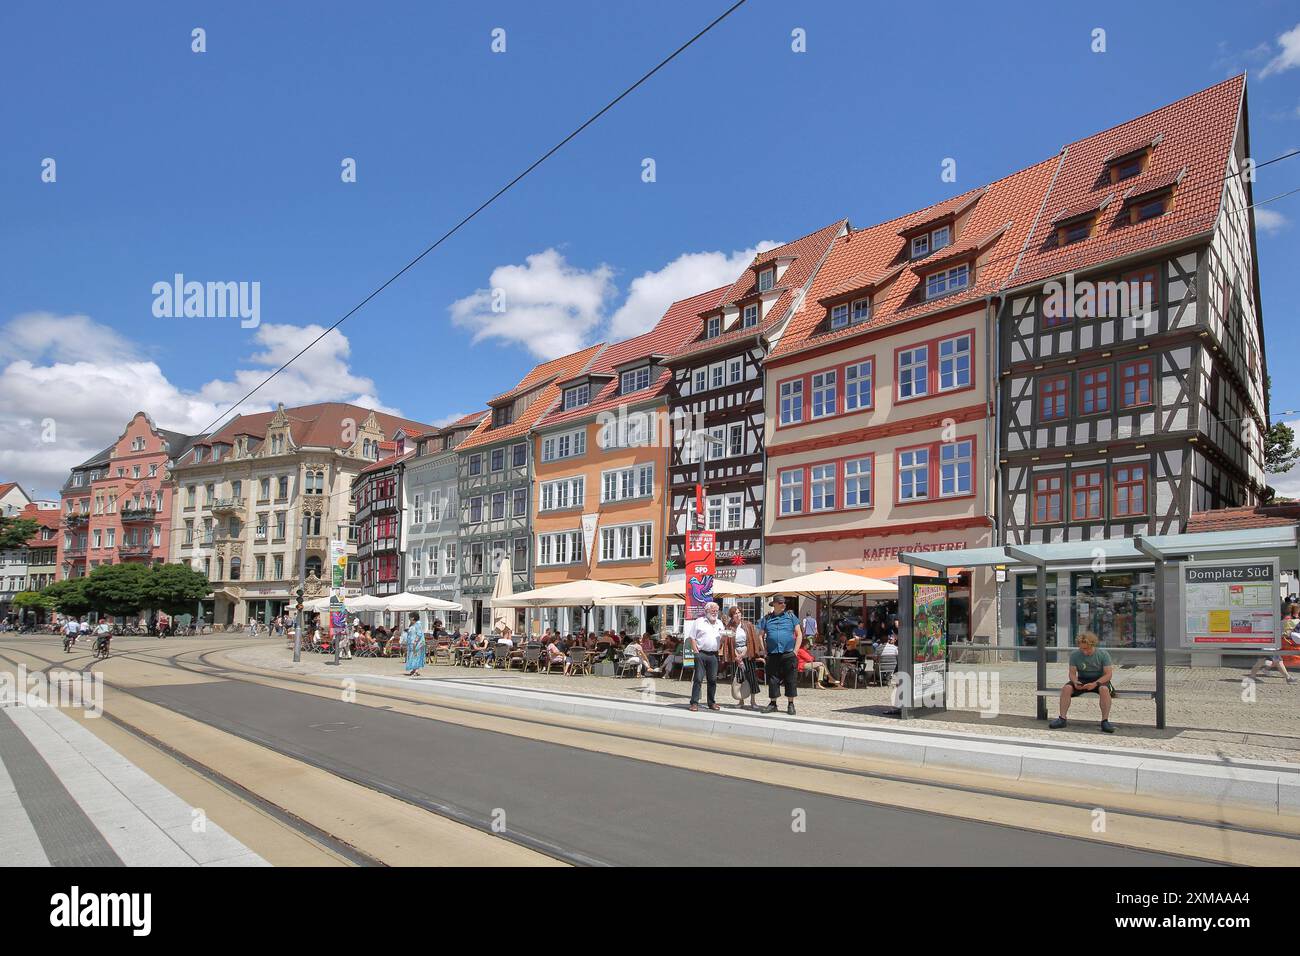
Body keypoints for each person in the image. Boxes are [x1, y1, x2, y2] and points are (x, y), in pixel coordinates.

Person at [1049, 631, 1116, 733]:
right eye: (1081, 648)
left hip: (1100, 680)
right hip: (1082, 680)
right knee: (1066, 688)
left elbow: (1108, 674)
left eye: (1086, 649)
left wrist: (1095, 684)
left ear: (1092, 645)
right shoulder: (1075, 655)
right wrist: (1075, 682)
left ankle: (1105, 721)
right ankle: (1062, 718)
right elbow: (1072, 673)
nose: (1084, 651)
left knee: (1104, 689)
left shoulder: (1103, 654)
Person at [757, 596, 803, 715]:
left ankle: (790, 704)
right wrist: (764, 651)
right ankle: (773, 704)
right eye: (781, 603)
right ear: (774, 604)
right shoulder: (767, 618)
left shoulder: (791, 617)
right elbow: (760, 636)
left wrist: (795, 651)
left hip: (788, 653)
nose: (783, 605)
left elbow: (799, 634)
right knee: (773, 679)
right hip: (773, 654)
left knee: (790, 679)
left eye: (784, 603)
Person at [686, 602, 726, 712]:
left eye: (716, 611)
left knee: (712, 680)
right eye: (713, 610)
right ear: (707, 611)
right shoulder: (699, 622)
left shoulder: (719, 623)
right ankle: (694, 703)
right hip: (701, 653)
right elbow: (692, 638)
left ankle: (711, 702)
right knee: (698, 679)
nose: (715, 612)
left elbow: (722, 639)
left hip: (713, 654)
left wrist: (725, 638)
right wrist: (696, 651)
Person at [722, 604, 761, 709]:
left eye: (739, 613)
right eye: (735, 613)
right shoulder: (729, 627)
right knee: (739, 677)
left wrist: (744, 653)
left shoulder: (748, 625)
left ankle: (753, 701)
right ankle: (741, 701)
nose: (738, 615)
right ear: (732, 616)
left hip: (747, 653)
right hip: (736, 655)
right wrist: (736, 655)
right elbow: (727, 643)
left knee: (751, 676)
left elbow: (752, 640)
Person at [401, 612, 426, 677]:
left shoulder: (418, 624)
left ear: (413, 617)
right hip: (411, 644)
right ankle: (414, 669)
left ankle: (416, 670)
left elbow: (419, 634)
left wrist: (415, 641)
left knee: (416, 656)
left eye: (410, 617)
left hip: (417, 643)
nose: (409, 618)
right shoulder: (412, 624)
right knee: (412, 655)